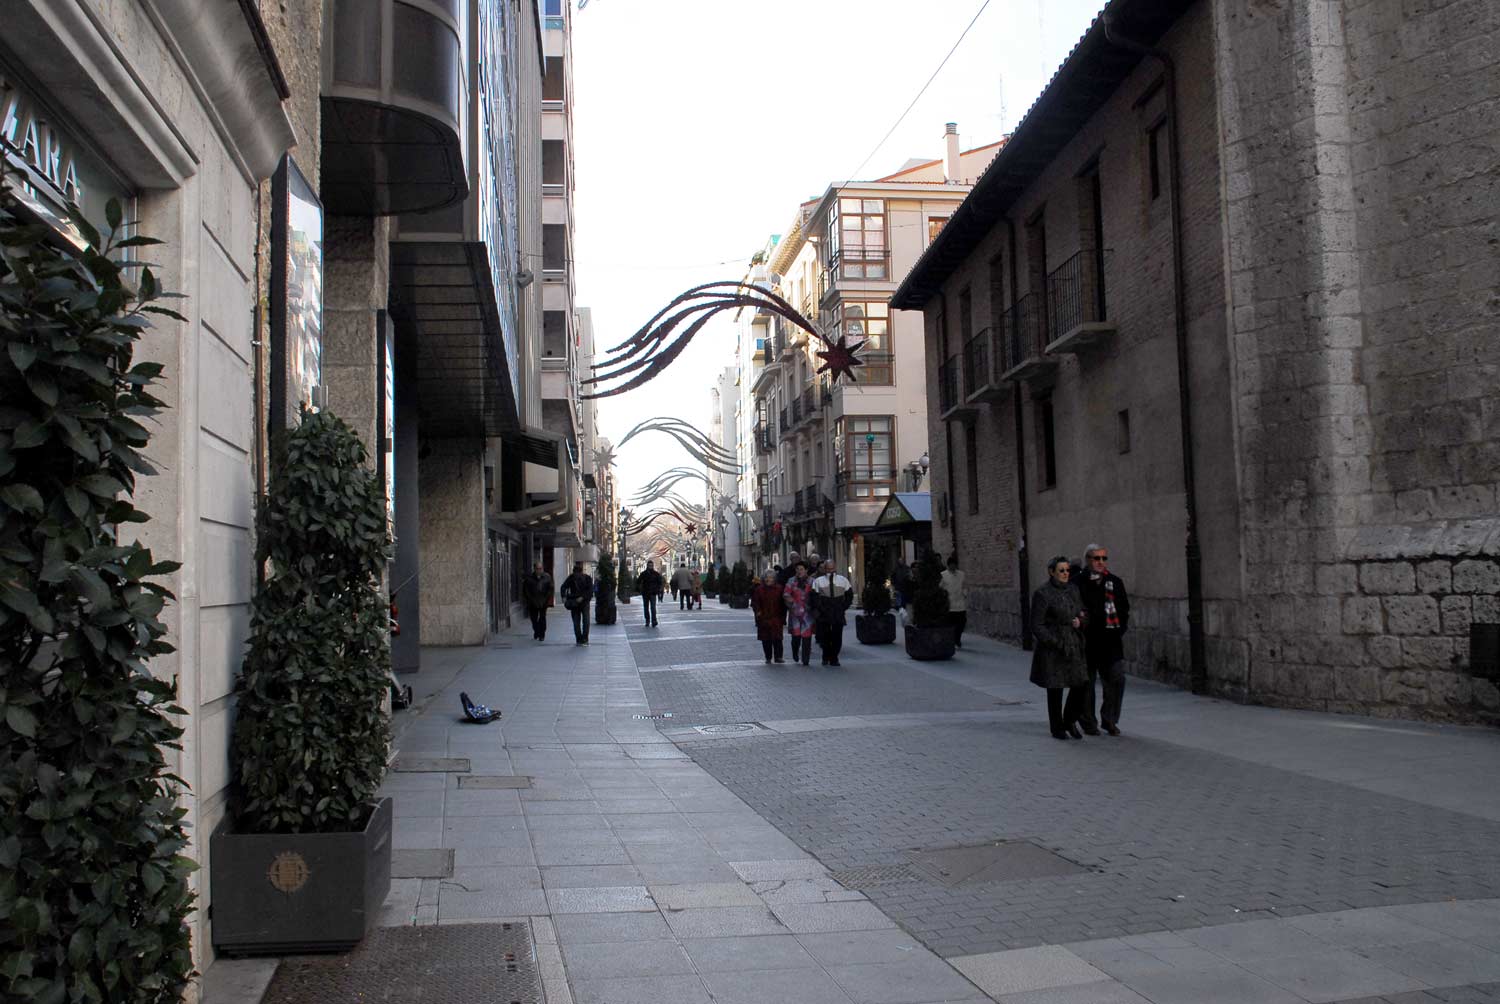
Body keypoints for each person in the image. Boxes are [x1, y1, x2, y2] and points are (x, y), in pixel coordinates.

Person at [1029, 555, 1090, 740]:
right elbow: (1037, 625)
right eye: (1061, 570)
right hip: (1054, 647)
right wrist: (1053, 641)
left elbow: (1083, 611)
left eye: (1067, 570)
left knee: (1081, 683)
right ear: (1052, 572)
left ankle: (1069, 719)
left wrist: (1081, 621)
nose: (1065, 574)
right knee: (1055, 688)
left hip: (1073, 643)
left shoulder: (1073, 590)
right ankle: (1057, 727)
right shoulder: (1043, 593)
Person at [1078, 542, 1130, 736]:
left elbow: (1124, 609)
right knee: (1086, 684)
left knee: (1117, 679)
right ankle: (1088, 721)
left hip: (1111, 642)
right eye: (1096, 558)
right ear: (1088, 560)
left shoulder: (1115, 582)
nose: (1100, 562)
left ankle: (1109, 719)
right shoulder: (1077, 582)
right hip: (1087, 642)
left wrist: (1119, 630)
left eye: (1103, 558)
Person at [811, 560, 854, 666]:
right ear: (824, 569)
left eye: (832, 568)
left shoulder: (843, 580)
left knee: (837, 636)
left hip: (838, 612)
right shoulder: (818, 581)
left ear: (835, 568)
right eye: (828, 569)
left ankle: (834, 657)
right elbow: (814, 597)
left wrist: (843, 607)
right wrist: (821, 608)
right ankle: (826, 656)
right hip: (824, 613)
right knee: (824, 637)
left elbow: (849, 595)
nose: (830, 571)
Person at [782, 561, 816, 666]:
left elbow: (816, 595)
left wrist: (814, 605)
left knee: (807, 637)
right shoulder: (791, 581)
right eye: (797, 569)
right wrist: (792, 603)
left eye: (801, 569)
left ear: (806, 570)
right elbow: (786, 593)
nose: (799, 571)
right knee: (796, 636)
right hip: (795, 612)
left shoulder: (812, 581)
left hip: (808, 613)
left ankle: (806, 659)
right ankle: (795, 652)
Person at [751, 569, 786, 664]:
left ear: (774, 579)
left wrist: (783, 617)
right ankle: (768, 657)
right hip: (764, 617)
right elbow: (755, 602)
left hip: (776, 617)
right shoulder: (759, 590)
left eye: (770, 577)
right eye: (766, 577)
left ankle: (778, 657)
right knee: (766, 639)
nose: (768, 579)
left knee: (777, 638)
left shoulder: (779, 589)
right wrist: (758, 612)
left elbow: (783, 604)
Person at [559, 561, 594, 645]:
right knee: (576, 622)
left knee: (586, 621)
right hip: (574, 603)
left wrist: (583, 597)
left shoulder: (587, 578)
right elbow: (563, 587)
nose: (576, 576)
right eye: (575, 574)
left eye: (578, 574)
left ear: (581, 572)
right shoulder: (571, 578)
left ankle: (584, 638)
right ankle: (579, 638)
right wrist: (563, 596)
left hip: (584, 602)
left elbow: (590, 591)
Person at [940, 555, 968, 649]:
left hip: (960, 603)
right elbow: (940, 587)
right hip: (950, 604)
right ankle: (953, 639)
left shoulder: (961, 574)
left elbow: (964, 586)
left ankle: (957, 638)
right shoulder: (943, 575)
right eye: (951, 565)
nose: (953, 566)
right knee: (951, 624)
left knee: (962, 623)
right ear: (948, 565)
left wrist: (965, 593)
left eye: (954, 565)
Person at [521, 562, 553, 641]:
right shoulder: (529, 579)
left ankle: (542, 634)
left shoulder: (547, 577)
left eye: (541, 569)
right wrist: (530, 600)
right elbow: (526, 591)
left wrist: (547, 598)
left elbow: (551, 588)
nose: (539, 570)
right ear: (534, 569)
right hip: (533, 602)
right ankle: (536, 631)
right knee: (534, 619)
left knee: (542, 618)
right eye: (538, 569)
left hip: (543, 601)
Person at [635, 560, 664, 627]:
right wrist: (639, 589)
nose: (650, 567)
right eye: (649, 565)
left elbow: (660, 582)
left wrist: (658, 590)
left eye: (651, 565)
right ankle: (647, 620)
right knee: (646, 607)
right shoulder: (643, 574)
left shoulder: (656, 574)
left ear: (652, 566)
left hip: (653, 593)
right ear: (647, 566)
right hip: (645, 592)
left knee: (653, 607)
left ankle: (654, 621)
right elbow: (638, 581)